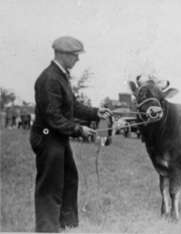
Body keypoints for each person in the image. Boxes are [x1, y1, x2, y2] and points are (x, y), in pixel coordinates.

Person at [30, 36, 112, 232]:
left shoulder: (61, 75)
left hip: (58, 138)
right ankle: (47, 229)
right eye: (75, 55)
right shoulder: (49, 79)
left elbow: (73, 106)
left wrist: (95, 112)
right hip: (48, 138)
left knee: (69, 179)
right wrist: (79, 130)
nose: (78, 59)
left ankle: (66, 225)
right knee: (50, 186)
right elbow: (54, 118)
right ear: (63, 54)